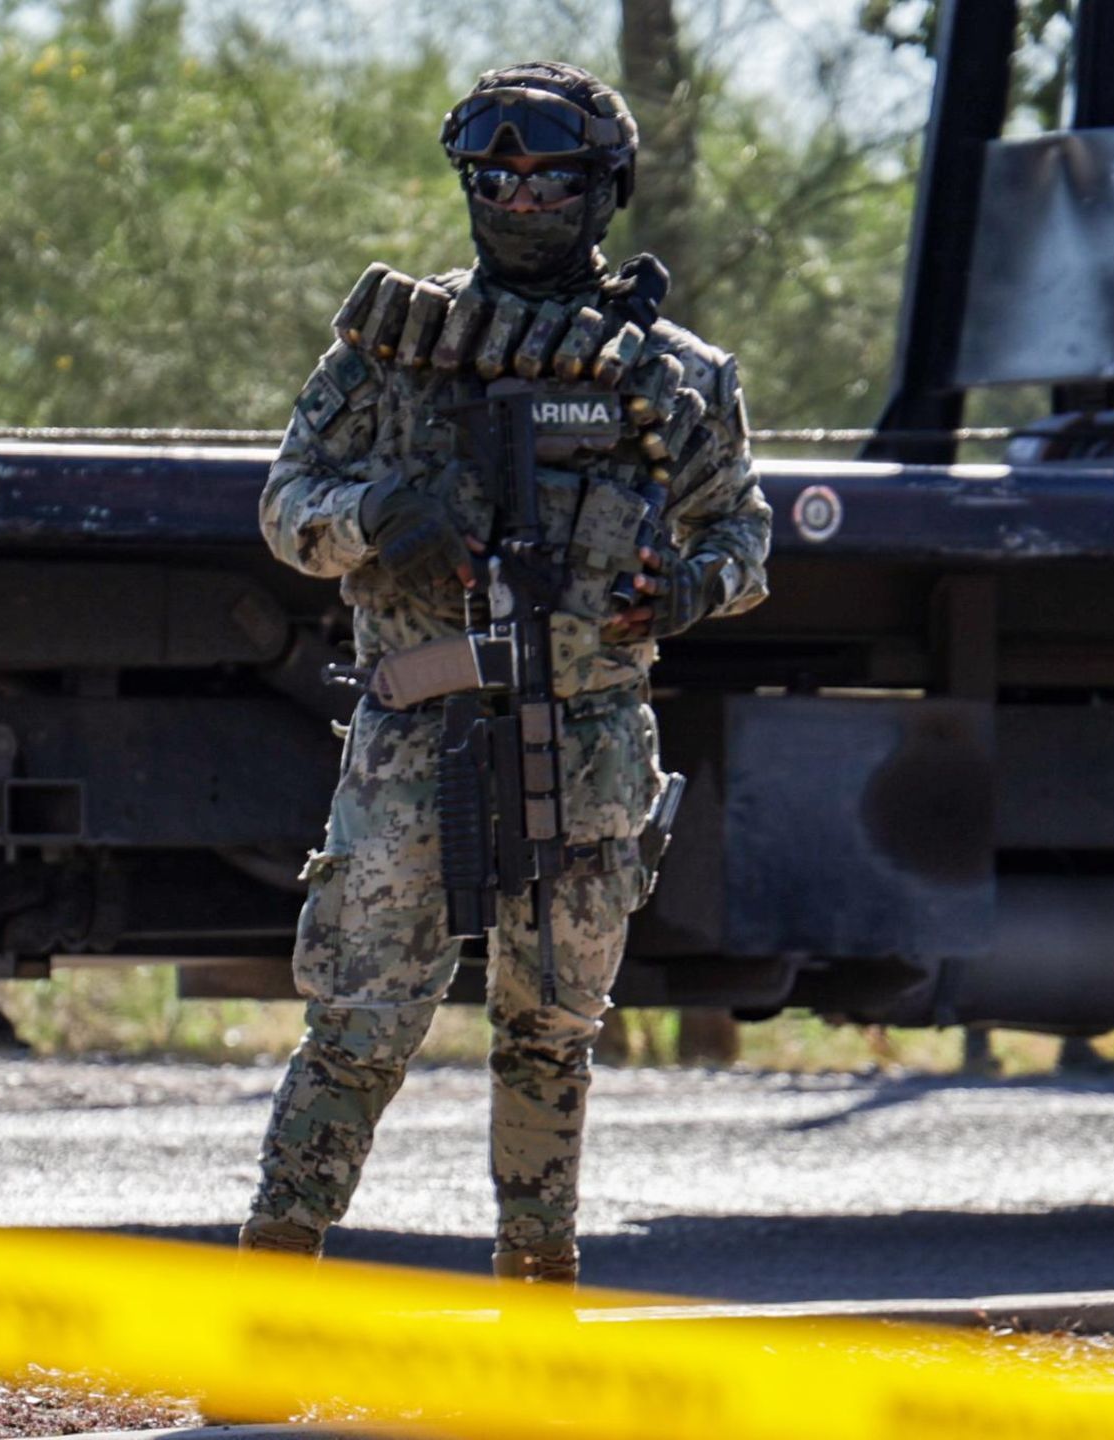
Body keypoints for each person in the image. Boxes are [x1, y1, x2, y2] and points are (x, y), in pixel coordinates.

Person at [244, 60, 772, 1284]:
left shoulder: (678, 376)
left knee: (551, 1035)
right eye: (496, 176)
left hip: (585, 738)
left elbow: (740, 535)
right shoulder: (393, 354)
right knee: (358, 1026)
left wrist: (683, 589)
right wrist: (382, 512)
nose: (520, 198)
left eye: (550, 177)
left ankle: (539, 1308)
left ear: (606, 189)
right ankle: (264, 1305)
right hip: (418, 728)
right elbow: (286, 511)